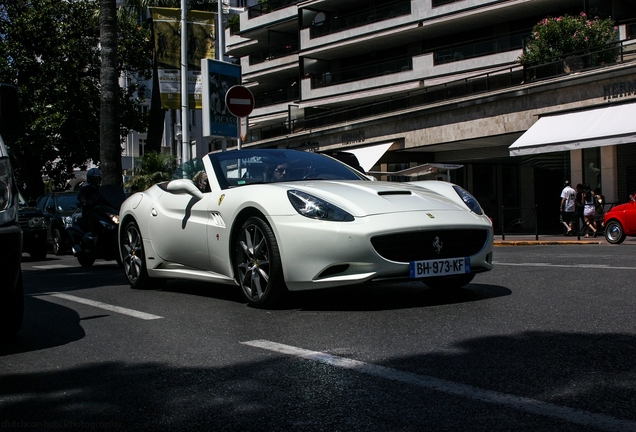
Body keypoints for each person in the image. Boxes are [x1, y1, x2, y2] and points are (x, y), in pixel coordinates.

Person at [77, 167, 103, 239]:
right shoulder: (85, 188)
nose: (95, 180)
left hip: (101, 209)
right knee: (92, 215)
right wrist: (86, 202)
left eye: (97, 178)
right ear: (89, 179)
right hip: (90, 210)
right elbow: (81, 198)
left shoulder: (101, 189)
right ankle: (93, 234)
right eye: (93, 178)